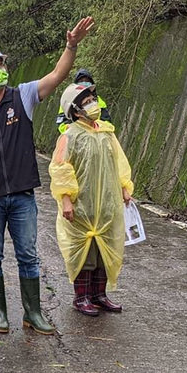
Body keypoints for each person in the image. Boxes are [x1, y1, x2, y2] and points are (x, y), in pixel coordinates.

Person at [0, 17, 95, 335]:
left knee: (28, 255)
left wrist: (71, 45)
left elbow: (57, 75)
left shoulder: (22, 96)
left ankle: (32, 313)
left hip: (22, 194)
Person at [50, 83, 134, 315]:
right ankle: (82, 297)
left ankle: (99, 295)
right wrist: (66, 199)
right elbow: (60, 170)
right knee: (85, 253)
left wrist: (125, 187)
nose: (92, 104)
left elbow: (119, 162)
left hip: (106, 204)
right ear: (75, 110)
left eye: (92, 99)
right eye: (86, 102)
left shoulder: (107, 132)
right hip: (82, 206)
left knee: (104, 249)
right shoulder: (70, 136)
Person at [55, 68, 110, 134]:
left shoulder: (99, 100)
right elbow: (61, 123)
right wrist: (73, 132)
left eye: (87, 81)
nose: (84, 83)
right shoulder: (68, 101)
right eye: (81, 81)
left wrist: (99, 129)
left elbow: (107, 120)